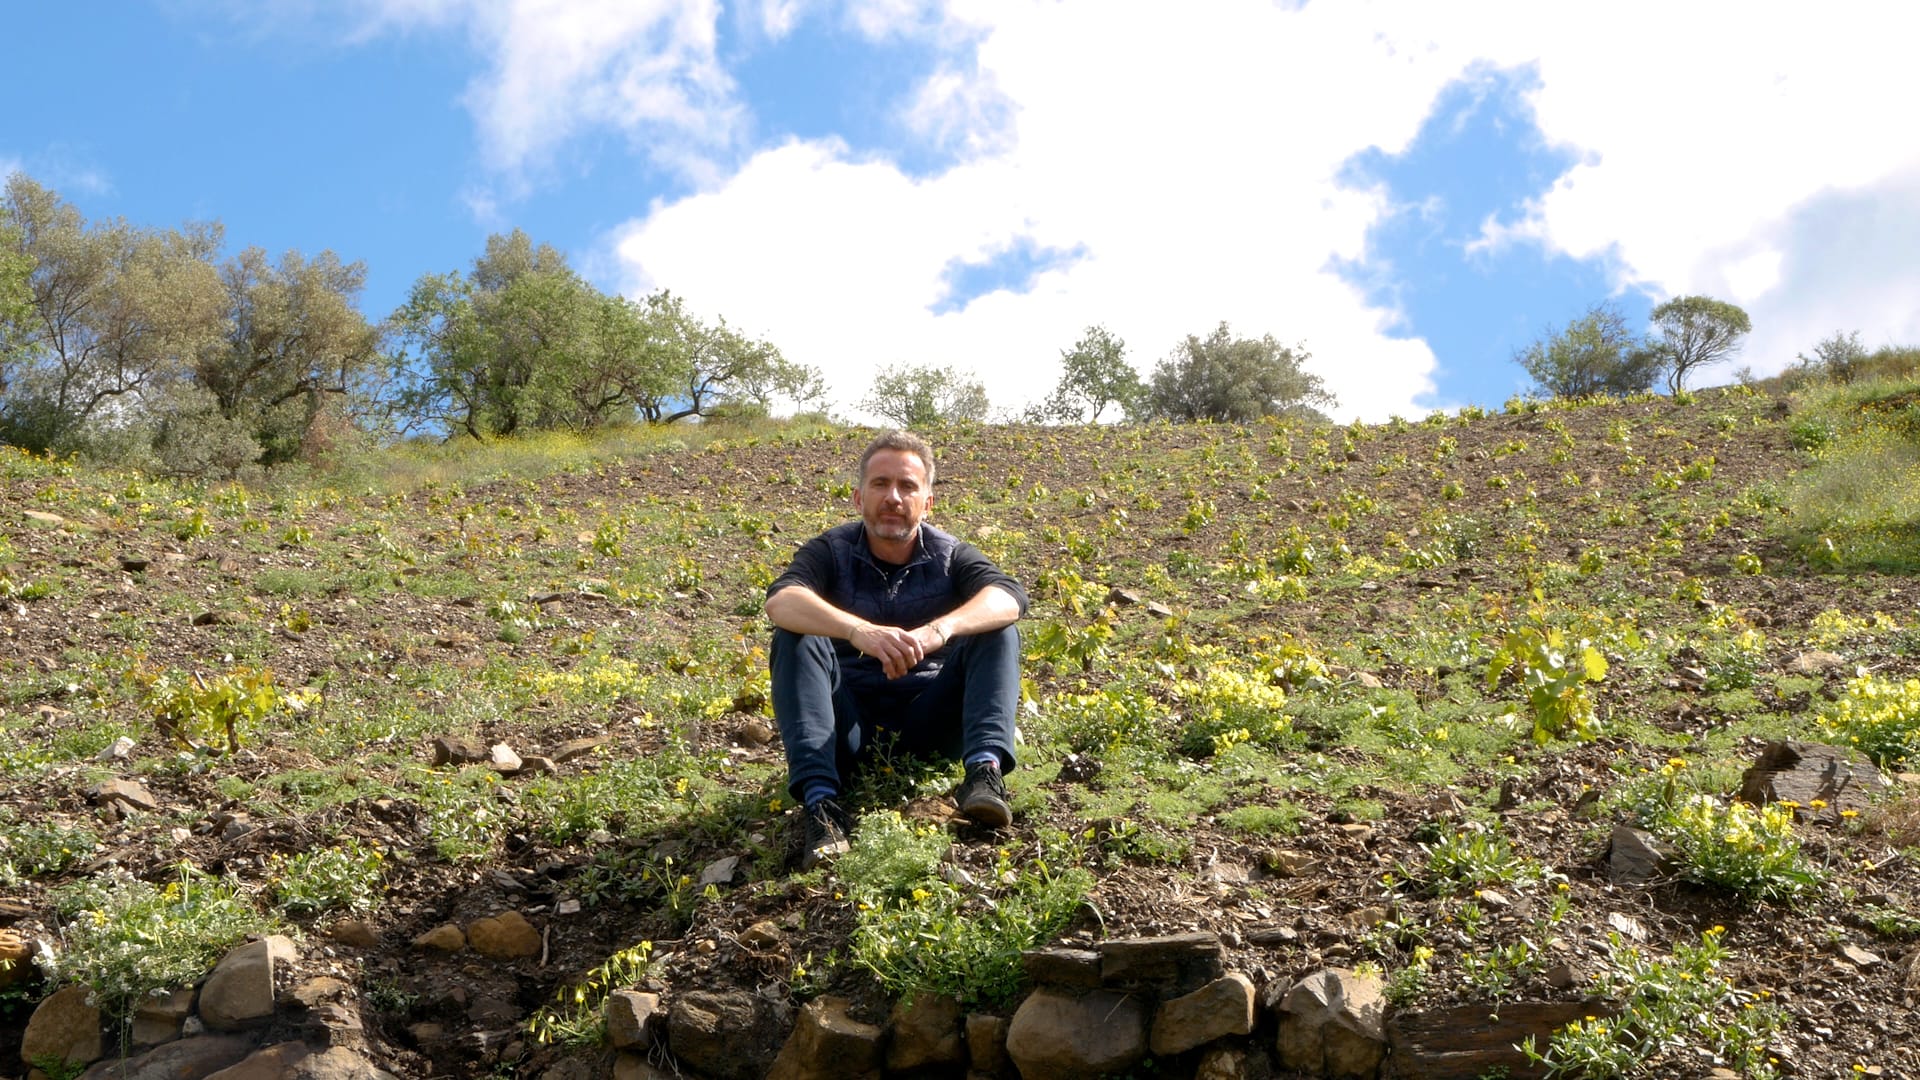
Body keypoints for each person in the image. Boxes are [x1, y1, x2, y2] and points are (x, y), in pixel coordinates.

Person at [765, 430, 1029, 869]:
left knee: (998, 629)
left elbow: (1009, 597)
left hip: (932, 721)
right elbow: (781, 601)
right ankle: (822, 806)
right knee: (795, 635)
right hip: (847, 731)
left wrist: (938, 631)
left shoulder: (952, 555)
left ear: (927, 503)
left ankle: (984, 775)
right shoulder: (829, 551)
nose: (893, 497)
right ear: (857, 497)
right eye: (880, 484)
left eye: (907, 486)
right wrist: (857, 631)